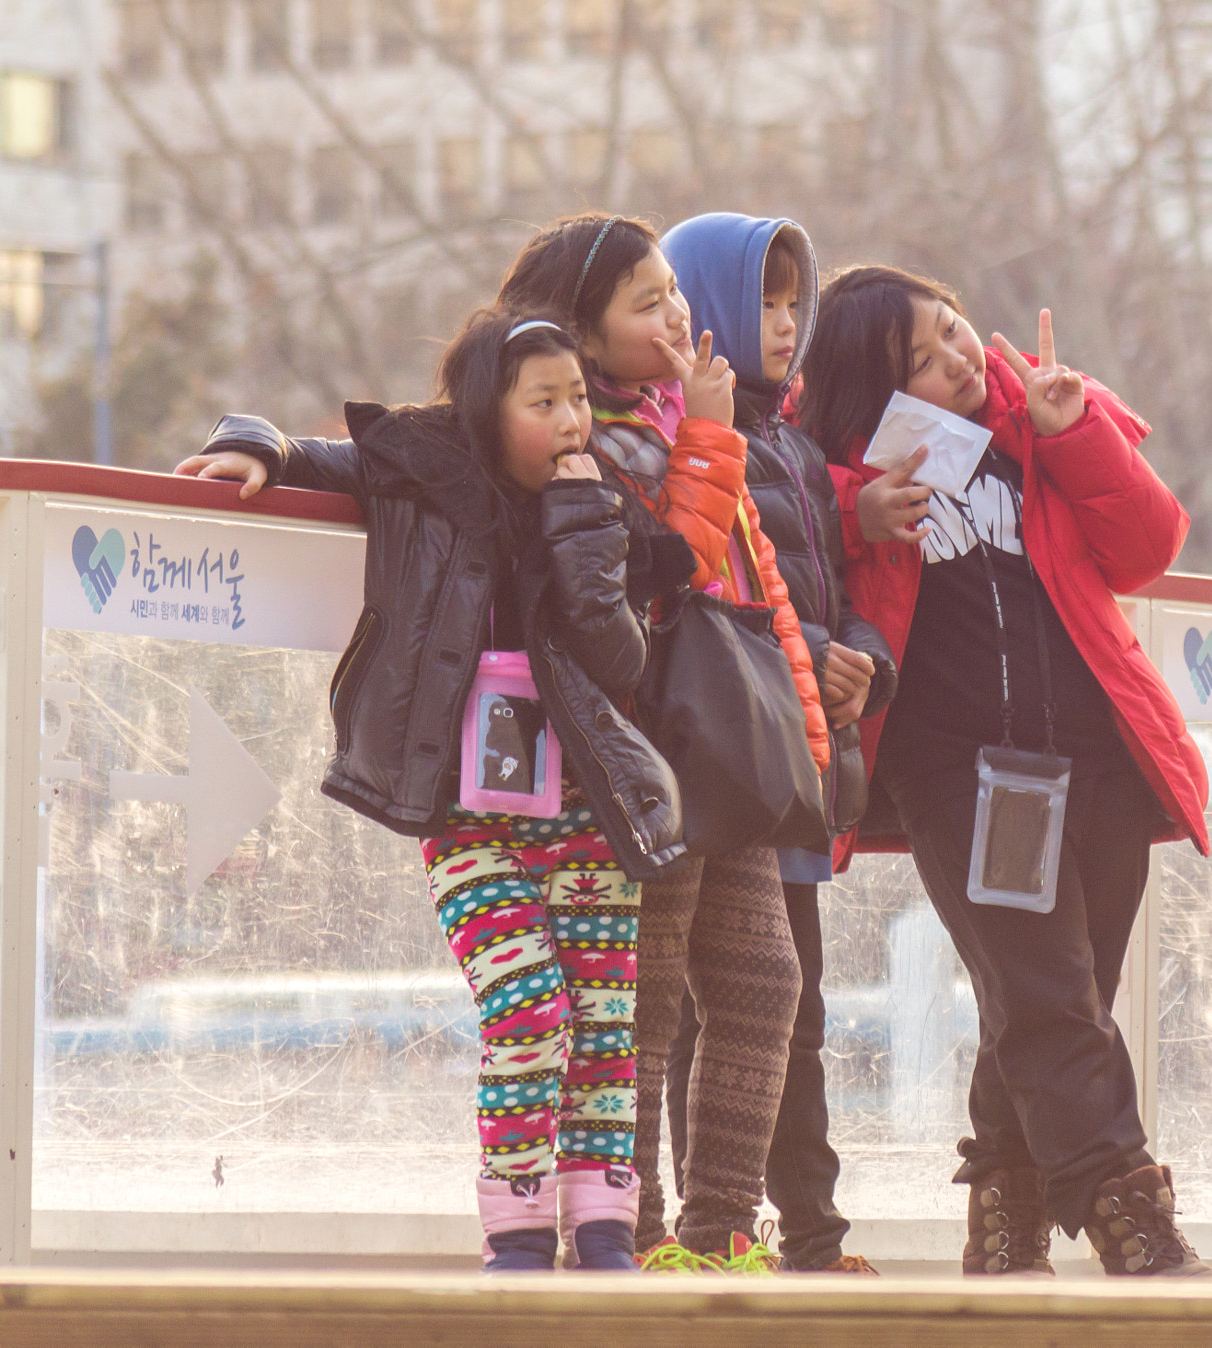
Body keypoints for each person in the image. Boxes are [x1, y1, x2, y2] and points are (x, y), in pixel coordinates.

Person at [176, 311, 690, 1272]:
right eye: (544, 402)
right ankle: (519, 1229)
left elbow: (620, 653)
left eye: (579, 396)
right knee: (530, 1007)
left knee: (603, 1025)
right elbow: (315, 456)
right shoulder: (421, 471)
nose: (573, 419)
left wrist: (584, 522)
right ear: (487, 413)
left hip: (587, 807)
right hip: (466, 817)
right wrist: (252, 447)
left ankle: (608, 1232)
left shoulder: (607, 505)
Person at [798, 267, 1212, 1278]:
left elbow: (1147, 546)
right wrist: (857, 510)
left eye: (952, 332)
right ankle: (1128, 1213)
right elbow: (776, 513)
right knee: (1046, 999)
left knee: (1058, 996)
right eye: (921, 363)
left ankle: (1003, 1211)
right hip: (962, 777)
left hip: (1099, 759)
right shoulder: (843, 469)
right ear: (875, 389)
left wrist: (1072, 432)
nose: (955, 363)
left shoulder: (1039, 420)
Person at [495, 213, 825, 1264]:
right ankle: (620, 1226)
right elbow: (666, 560)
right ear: (581, 336)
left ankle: (718, 1226)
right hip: (648, 746)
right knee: (644, 992)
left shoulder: (680, 413)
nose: (676, 313)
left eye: (672, 291)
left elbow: (751, 582)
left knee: (764, 980)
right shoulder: (582, 436)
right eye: (646, 301)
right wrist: (709, 438)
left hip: (722, 737)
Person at [658, 212, 896, 1274]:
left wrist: (862, 664)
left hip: (787, 753)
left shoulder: (793, 446)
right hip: (713, 755)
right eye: (763, 299)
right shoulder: (681, 433)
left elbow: (826, 597)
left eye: (794, 301)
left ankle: (801, 1229)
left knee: (784, 1001)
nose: (787, 322)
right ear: (702, 307)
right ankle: (704, 1222)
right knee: (694, 1004)